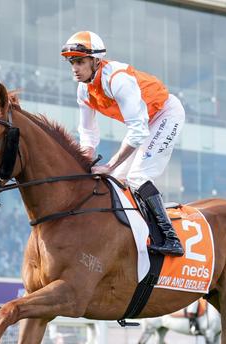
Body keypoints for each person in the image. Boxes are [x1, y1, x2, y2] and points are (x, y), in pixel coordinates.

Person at [61, 31, 185, 256]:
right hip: (146, 123)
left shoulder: (117, 79)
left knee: (138, 176)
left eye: (79, 62)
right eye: (72, 62)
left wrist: (109, 164)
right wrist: (85, 158)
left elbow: (138, 131)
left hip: (165, 114)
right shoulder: (83, 90)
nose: (74, 68)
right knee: (115, 181)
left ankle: (170, 238)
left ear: (96, 61)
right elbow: (88, 132)